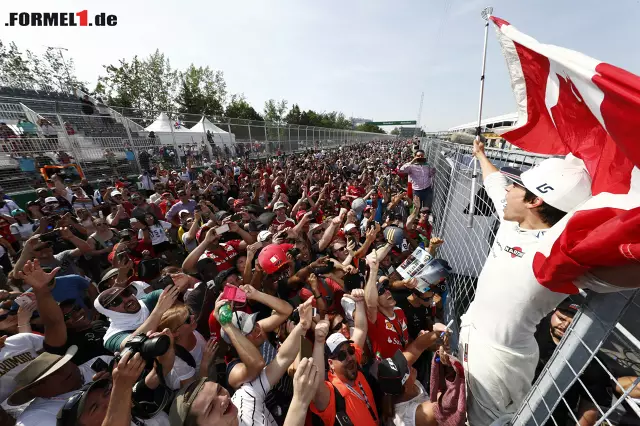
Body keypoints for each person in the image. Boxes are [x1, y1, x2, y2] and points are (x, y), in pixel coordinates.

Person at [460, 138, 593, 425]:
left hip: (500, 365)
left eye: (516, 186)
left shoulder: (563, 253)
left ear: (535, 201)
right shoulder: (512, 221)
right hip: (471, 339)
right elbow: (495, 181)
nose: (508, 189)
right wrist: (481, 155)